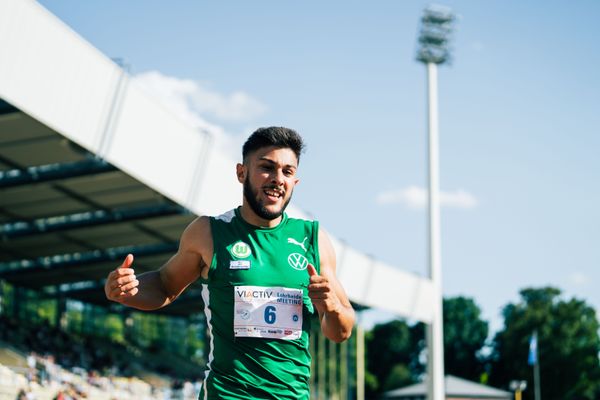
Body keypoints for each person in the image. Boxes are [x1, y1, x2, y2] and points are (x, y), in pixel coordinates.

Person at [104, 126, 355, 399]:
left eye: (287, 171)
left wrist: (330, 307)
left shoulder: (313, 239)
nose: (277, 179)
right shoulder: (208, 233)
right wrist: (128, 289)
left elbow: (341, 330)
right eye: (267, 168)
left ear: (295, 181)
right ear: (241, 172)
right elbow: (165, 286)